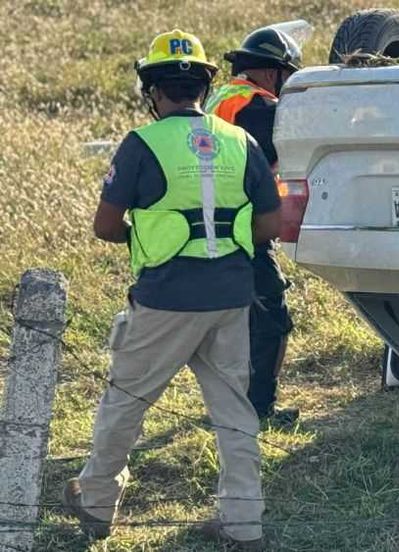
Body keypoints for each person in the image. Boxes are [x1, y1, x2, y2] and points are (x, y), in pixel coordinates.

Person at [61, 30, 280, 550]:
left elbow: (105, 225)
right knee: (234, 410)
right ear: (203, 87)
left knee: (127, 400)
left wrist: (151, 239)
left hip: (165, 298)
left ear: (153, 91)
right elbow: (270, 224)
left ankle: (95, 502)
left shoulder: (141, 143)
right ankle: (244, 521)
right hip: (230, 295)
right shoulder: (239, 141)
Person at [206, 26, 302, 426]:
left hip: (210, 225)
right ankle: (258, 408)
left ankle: (226, 404)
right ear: (269, 72)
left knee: (228, 324)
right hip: (243, 229)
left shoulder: (222, 99)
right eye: (286, 74)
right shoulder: (260, 108)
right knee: (272, 319)